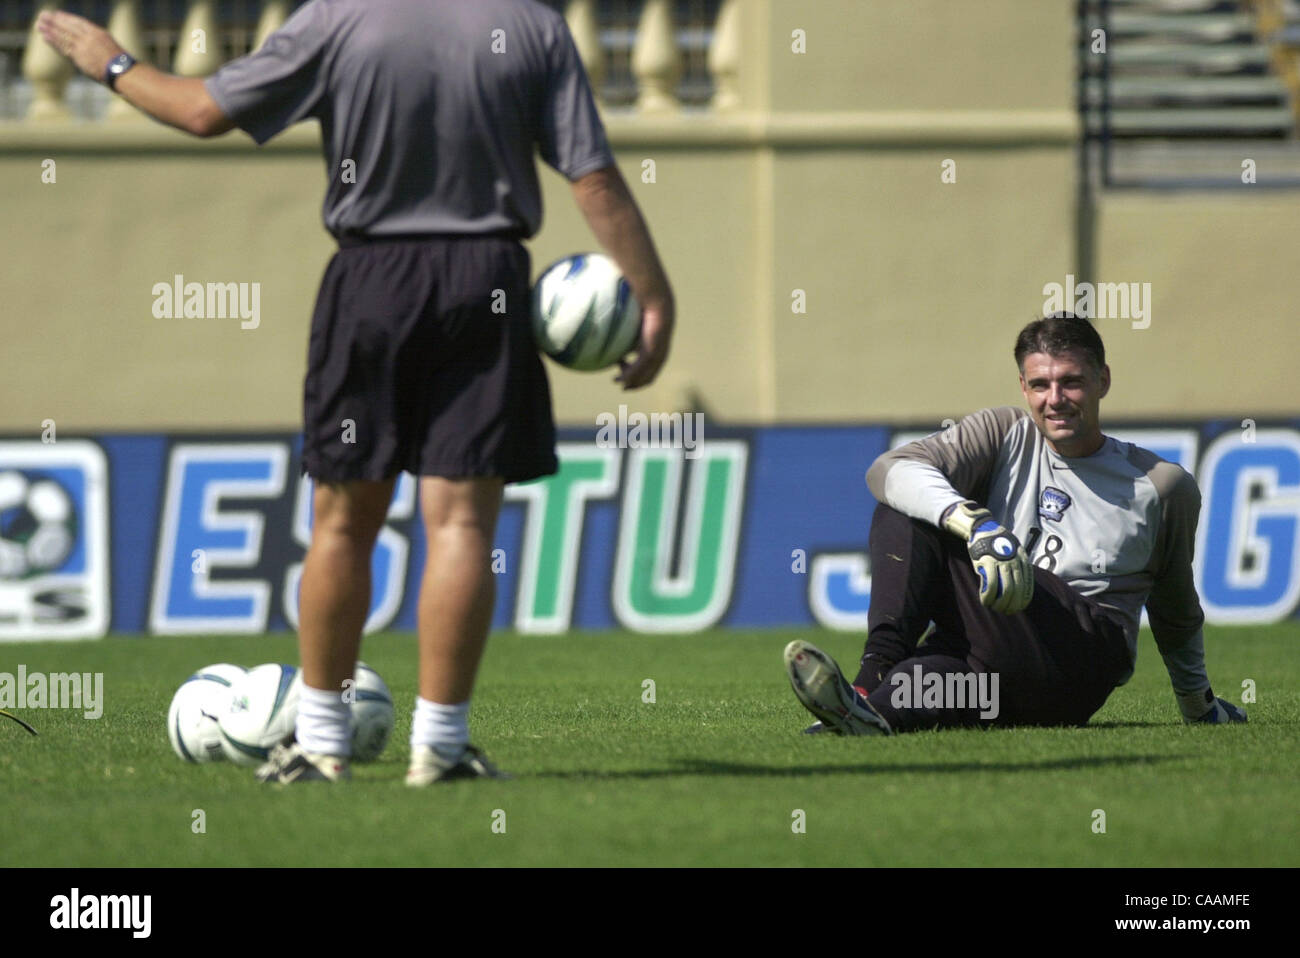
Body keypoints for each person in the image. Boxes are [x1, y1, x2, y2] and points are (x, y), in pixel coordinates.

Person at [40, 1, 675, 783]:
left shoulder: (338, 19)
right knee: (462, 526)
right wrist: (653, 298)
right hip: (487, 281)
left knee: (341, 525)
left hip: (371, 282)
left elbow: (202, 112)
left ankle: (319, 745)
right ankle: (440, 750)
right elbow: (594, 178)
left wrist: (110, 60)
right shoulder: (530, 24)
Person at [785, 313, 1246, 734]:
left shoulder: (1161, 484)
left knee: (910, 515)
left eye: (1071, 382)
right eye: (1040, 384)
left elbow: (1175, 606)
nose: (1055, 399)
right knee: (912, 689)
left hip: (1080, 661)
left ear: (1103, 381)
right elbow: (888, 471)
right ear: (1023, 388)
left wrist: (1197, 703)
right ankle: (864, 713)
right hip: (993, 663)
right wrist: (975, 524)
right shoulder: (1004, 432)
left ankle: (868, 678)